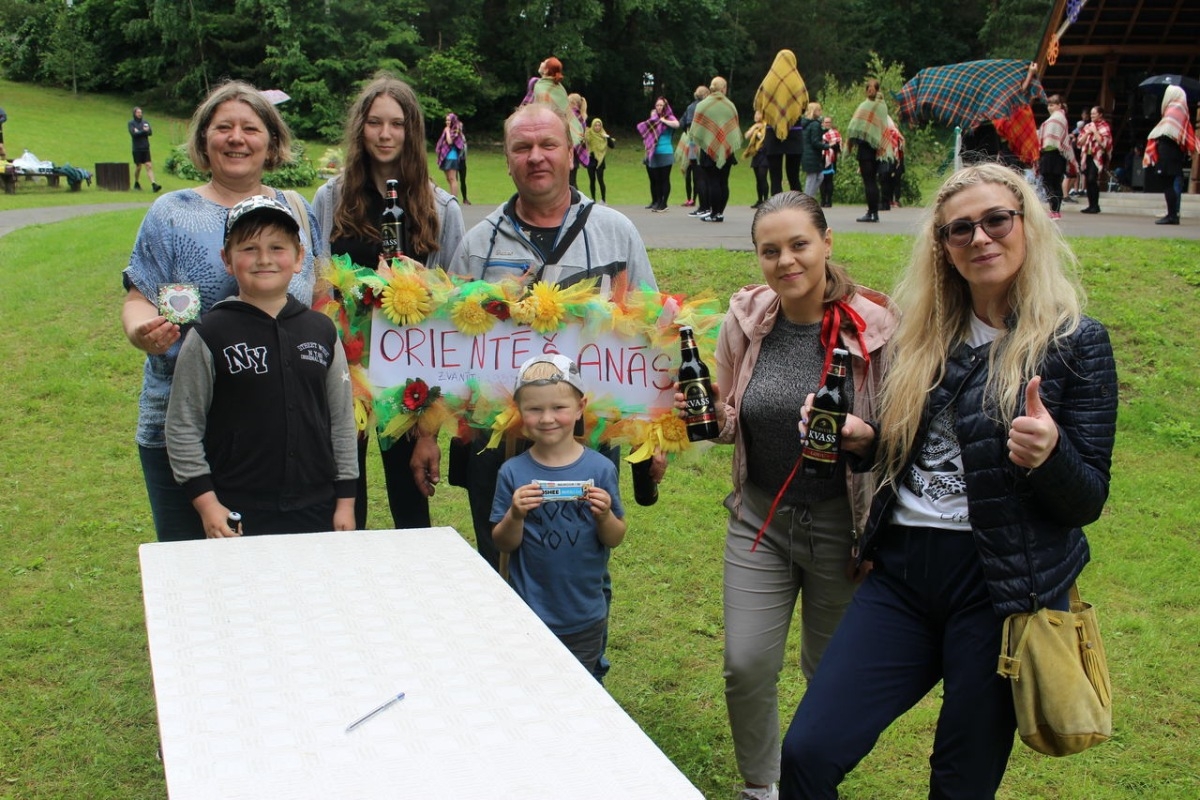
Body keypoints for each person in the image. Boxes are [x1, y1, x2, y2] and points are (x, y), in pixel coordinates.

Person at [779, 162, 1118, 799]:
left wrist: (1050, 455)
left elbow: (1088, 499)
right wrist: (865, 440)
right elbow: (912, 451)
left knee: (960, 781)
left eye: (997, 220)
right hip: (903, 574)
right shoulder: (924, 334)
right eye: (959, 229)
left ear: (1027, 227)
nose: (980, 238)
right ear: (943, 247)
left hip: (999, 589)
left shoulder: (1076, 343)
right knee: (808, 750)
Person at [693, 191, 896, 800]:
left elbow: (903, 437)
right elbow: (729, 417)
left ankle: (810, 780)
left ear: (827, 241)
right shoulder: (748, 318)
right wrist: (703, 413)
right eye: (769, 250)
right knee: (747, 663)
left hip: (843, 526)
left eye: (799, 244)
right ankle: (762, 787)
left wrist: (864, 437)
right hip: (761, 517)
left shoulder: (877, 329)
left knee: (828, 676)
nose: (785, 261)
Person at [440, 102, 660, 572]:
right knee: (498, 561)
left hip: (588, 442)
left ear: (572, 152)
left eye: (547, 144)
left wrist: (652, 436)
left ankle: (576, 640)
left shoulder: (614, 232)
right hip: (496, 446)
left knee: (578, 559)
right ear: (507, 159)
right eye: (522, 147)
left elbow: (650, 337)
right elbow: (452, 348)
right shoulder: (479, 244)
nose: (535, 156)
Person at [122, 80, 320, 542]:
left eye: (250, 128)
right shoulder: (172, 212)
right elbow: (138, 296)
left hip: (275, 431)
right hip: (184, 423)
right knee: (189, 563)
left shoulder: (296, 209)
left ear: (270, 142)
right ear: (203, 140)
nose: (237, 138)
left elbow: (316, 301)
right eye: (223, 127)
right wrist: (141, 331)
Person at [312, 74, 465, 530]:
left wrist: (430, 423)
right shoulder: (331, 198)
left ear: (411, 130)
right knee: (343, 496)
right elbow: (317, 286)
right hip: (346, 369)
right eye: (375, 123)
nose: (384, 134)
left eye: (396, 124)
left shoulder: (441, 207)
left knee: (410, 499)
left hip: (409, 373)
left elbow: (450, 311)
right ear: (360, 128)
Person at [165, 196, 357, 537]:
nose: (264, 259)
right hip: (237, 509)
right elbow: (183, 425)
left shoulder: (322, 331)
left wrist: (345, 501)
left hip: (317, 507)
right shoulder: (210, 334)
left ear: (299, 258)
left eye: (277, 247)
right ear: (227, 260)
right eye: (249, 248)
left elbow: (341, 420)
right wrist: (208, 504)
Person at [491, 354, 627, 678]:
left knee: (582, 688)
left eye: (559, 408)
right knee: (532, 682)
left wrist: (605, 514)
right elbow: (503, 543)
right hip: (529, 613)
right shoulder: (512, 472)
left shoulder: (600, 469)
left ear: (580, 407)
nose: (547, 418)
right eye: (535, 409)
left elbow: (616, 537)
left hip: (585, 614)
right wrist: (515, 515)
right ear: (520, 411)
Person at [691, 76, 743, 224]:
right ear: (724, 88)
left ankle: (714, 213)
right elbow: (734, 127)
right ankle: (719, 213)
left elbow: (695, 129)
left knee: (713, 181)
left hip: (709, 150)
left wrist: (706, 140)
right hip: (726, 149)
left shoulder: (703, 105)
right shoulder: (730, 106)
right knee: (723, 181)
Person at [755, 50, 808, 196]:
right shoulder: (797, 81)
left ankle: (777, 211)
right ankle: (798, 210)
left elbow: (760, 104)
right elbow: (804, 105)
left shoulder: (768, 81)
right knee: (794, 177)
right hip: (795, 132)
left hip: (772, 132)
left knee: (775, 178)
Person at [1143, 85, 1196, 226]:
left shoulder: (1174, 110)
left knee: (1167, 183)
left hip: (1168, 152)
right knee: (1170, 183)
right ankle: (1172, 214)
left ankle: (1172, 215)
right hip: (1174, 152)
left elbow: (1166, 130)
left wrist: (1154, 135)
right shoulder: (1183, 110)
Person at [847, 79, 887, 223]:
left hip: (865, 150)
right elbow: (883, 128)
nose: (870, 91)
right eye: (869, 88)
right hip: (877, 150)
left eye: (871, 88)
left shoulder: (865, 106)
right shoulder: (883, 106)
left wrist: (853, 142)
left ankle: (871, 212)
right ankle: (874, 212)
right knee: (873, 182)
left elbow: (853, 127)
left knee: (869, 182)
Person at [1038, 94, 1077, 220]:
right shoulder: (1059, 117)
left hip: (1053, 154)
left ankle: (1054, 209)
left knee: (1050, 182)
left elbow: (1052, 137)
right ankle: (1055, 210)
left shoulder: (1057, 118)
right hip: (1054, 155)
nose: (1050, 107)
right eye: (1049, 105)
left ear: (1059, 105)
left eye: (1052, 105)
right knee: (1053, 182)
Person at [639, 96, 680, 211]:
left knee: (664, 178)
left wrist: (664, 121)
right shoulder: (653, 118)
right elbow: (647, 132)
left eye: (661, 105)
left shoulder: (669, 117)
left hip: (665, 151)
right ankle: (657, 201)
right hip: (653, 152)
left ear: (665, 106)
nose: (659, 107)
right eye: (657, 105)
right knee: (656, 179)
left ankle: (664, 203)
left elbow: (677, 124)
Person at [1077, 105, 1112, 214]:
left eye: (1094, 113)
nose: (1092, 116)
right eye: (1091, 114)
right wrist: (1088, 132)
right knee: (1088, 180)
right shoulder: (1088, 126)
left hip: (1097, 156)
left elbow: (1104, 143)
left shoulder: (1105, 126)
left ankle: (1095, 205)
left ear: (1100, 114)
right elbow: (1079, 143)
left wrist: (1095, 131)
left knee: (1092, 179)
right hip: (1086, 155)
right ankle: (1090, 205)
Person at [680, 85, 710, 208]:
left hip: (691, 143)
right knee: (701, 174)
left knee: (690, 171)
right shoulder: (705, 107)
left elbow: (682, 123)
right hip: (701, 143)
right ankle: (701, 202)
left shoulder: (690, 107)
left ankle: (690, 199)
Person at [129, 107, 162, 193]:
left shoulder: (145, 122)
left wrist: (140, 131)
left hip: (145, 147)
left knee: (148, 165)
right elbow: (133, 134)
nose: (140, 114)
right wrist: (143, 131)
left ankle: (154, 184)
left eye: (141, 112)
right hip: (137, 148)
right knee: (138, 166)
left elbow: (150, 132)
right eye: (138, 112)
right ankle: (136, 182)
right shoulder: (131, 123)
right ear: (134, 113)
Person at [436, 112, 466, 202]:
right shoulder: (447, 129)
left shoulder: (455, 129)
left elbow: (450, 142)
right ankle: (451, 196)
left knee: (452, 178)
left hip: (452, 156)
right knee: (448, 178)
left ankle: (454, 199)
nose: (447, 122)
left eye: (449, 120)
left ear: (453, 120)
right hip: (445, 156)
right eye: (446, 120)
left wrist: (447, 131)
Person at [743, 110, 770, 208]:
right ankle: (759, 199)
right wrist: (754, 130)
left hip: (764, 153)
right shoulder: (755, 126)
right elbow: (746, 136)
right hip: (756, 154)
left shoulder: (766, 125)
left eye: (758, 114)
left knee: (763, 177)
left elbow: (765, 137)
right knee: (758, 178)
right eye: (755, 114)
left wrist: (758, 133)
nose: (755, 115)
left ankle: (766, 200)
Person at [584, 116, 614, 203]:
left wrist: (607, 137)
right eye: (596, 125)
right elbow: (585, 142)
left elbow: (612, 146)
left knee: (600, 180)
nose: (597, 127)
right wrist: (585, 134)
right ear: (593, 126)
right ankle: (593, 198)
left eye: (599, 125)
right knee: (592, 180)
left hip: (600, 161)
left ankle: (603, 199)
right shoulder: (589, 134)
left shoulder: (603, 135)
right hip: (591, 160)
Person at [800, 102, 825, 199]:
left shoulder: (805, 124)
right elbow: (815, 141)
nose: (820, 112)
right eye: (819, 110)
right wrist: (827, 146)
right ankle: (807, 198)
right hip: (812, 155)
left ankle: (810, 196)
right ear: (814, 112)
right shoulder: (815, 124)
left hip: (806, 154)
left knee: (819, 176)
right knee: (812, 177)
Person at [568, 93, 590, 189]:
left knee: (569, 182)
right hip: (576, 152)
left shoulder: (570, 115)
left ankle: (574, 201)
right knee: (572, 180)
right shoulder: (581, 117)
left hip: (568, 150)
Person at [819, 116, 841, 208]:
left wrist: (828, 146)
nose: (827, 124)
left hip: (831, 159)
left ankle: (829, 201)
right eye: (826, 122)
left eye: (829, 122)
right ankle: (823, 200)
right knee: (821, 181)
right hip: (821, 159)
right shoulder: (819, 132)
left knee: (829, 180)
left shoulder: (835, 133)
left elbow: (838, 146)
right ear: (823, 123)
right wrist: (828, 145)